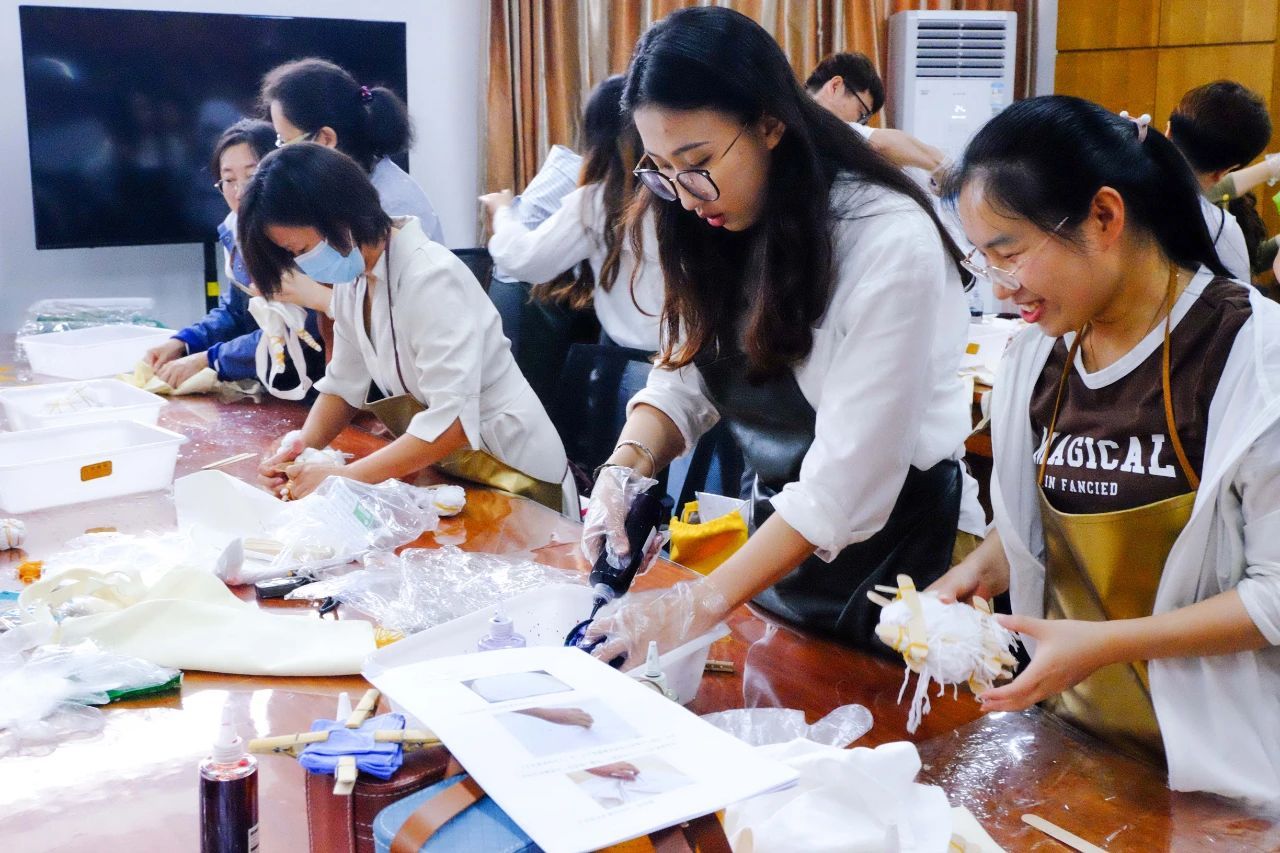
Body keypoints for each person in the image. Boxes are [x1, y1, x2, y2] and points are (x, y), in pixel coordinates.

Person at [581, 7, 976, 660]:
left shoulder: (886, 240)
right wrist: (625, 468)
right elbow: (686, 375)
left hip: (896, 564)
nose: (685, 195)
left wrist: (696, 603)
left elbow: (846, 487)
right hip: (778, 550)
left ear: (770, 124)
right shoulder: (713, 216)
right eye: (661, 169)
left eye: (697, 162)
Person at [931, 95, 1280, 803]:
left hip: (1221, 780)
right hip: (1071, 747)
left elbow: (1274, 596)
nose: (1002, 287)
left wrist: (1107, 643)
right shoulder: (1038, 358)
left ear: (1104, 217)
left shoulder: (1251, 358)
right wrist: (981, 568)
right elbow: (1056, 514)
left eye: (1011, 254)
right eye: (983, 260)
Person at [240, 144, 573, 513]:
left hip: (519, 477)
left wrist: (344, 477)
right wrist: (301, 448)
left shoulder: (431, 277)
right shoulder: (355, 281)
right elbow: (343, 387)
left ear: (339, 217)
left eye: (301, 249)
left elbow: (452, 423)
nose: (302, 263)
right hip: (460, 471)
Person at [481, 75, 663, 352]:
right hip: (691, 354)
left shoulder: (598, 202)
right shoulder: (677, 192)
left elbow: (524, 259)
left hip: (638, 359)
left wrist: (503, 212)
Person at [144, 119, 326, 394]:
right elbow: (236, 311)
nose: (240, 192)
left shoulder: (304, 236)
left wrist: (211, 359)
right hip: (277, 385)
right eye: (228, 180)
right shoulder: (237, 231)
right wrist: (184, 342)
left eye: (252, 177)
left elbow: (298, 330)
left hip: (320, 386)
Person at [260, 57, 444, 245]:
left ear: (326, 139)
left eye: (285, 142)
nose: (280, 154)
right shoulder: (339, 191)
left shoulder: (393, 206)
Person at [1165, 80, 1272, 282]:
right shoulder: (1223, 231)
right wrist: (1272, 168)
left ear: (1168, 130)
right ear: (1225, 171)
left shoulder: (1117, 172)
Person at [805, 52, 948, 178]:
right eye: (861, 113)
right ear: (835, 86)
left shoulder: (800, 115)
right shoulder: (815, 121)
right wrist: (941, 165)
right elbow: (881, 144)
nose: (858, 123)